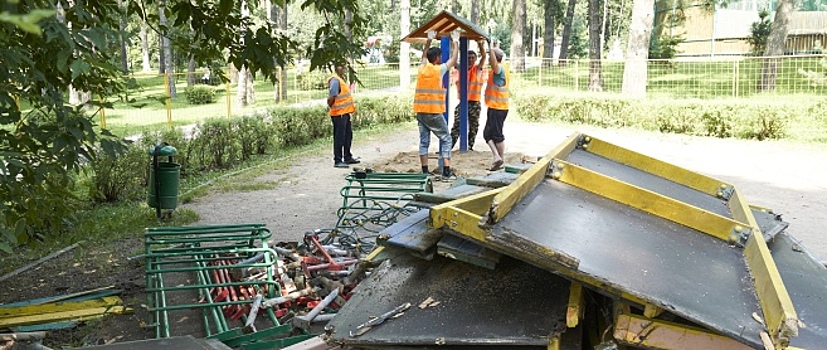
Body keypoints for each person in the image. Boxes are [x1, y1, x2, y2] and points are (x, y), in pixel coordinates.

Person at [414, 31, 459, 179]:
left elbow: (423, 55)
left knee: (424, 141)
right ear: (438, 58)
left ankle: (425, 171)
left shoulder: (422, 69)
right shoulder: (438, 70)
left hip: (420, 111)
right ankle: (446, 171)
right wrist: (455, 41)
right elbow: (454, 60)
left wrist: (429, 39)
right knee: (446, 138)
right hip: (433, 111)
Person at [449, 40, 486, 151]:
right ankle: (449, 146)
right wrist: (453, 42)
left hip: (474, 102)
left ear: (475, 59)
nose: (470, 60)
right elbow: (453, 59)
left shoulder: (477, 69)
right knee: (457, 125)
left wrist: (480, 44)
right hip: (463, 102)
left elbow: (484, 57)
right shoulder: (461, 69)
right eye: (468, 58)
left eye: (472, 58)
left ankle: (469, 145)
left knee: (474, 125)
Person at [327, 62, 360, 168]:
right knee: (339, 137)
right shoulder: (335, 80)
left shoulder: (340, 79)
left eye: (344, 66)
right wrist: (332, 106)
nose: (344, 68)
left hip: (345, 113)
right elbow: (331, 97)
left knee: (348, 136)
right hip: (339, 113)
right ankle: (338, 160)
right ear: (336, 68)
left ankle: (347, 156)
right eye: (341, 66)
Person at [483, 44, 510, 171]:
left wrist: (490, 49)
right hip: (497, 107)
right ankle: (497, 158)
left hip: (497, 107)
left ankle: (500, 158)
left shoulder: (499, 69)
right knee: (487, 134)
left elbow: (493, 63)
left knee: (497, 135)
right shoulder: (503, 67)